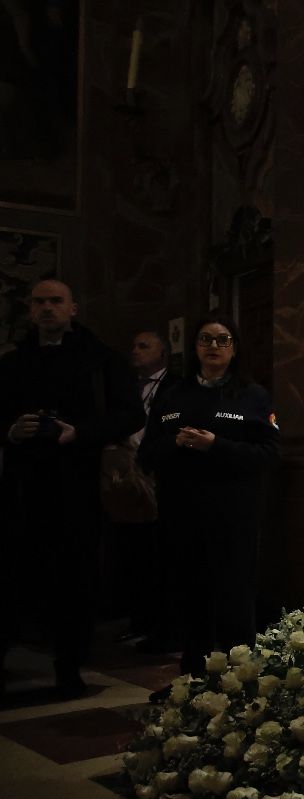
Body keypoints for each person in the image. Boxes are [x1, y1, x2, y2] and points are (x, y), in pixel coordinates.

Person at [0, 279, 143, 696]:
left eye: (55, 301)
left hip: (77, 484)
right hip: (22, 487)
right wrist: (11, 430)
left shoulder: (101, 360)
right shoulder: (12, 363)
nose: (47, 308)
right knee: (15, 572)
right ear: (30, 309)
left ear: (73, 308)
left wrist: (79, 433)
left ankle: (69, 665)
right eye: (39, 301)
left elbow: (130, 414)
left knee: (74, 576)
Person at [138, 315, 279, 676]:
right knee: (190, 601)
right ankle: (193, 681)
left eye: (222, 340)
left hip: (233, 518)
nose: (213, 346)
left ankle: (242, 680)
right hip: (181, 517)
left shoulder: (252, 396)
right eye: (205, 339)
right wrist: (175, 442)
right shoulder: (173, 395)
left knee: (234, 603)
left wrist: (216, 445)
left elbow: (268, 455)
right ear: (195, 347)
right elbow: (146, 456)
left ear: (234, 348)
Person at [109, 330, 181, 647]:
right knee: (131, 551)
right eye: (133, 346)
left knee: (158, 553)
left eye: (144, 346)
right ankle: (138, 618)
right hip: (128, 474)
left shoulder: (175, 386)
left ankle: (159, 622)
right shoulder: (128, 386)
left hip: (160, 475)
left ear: (163, 354)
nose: (135, 351)